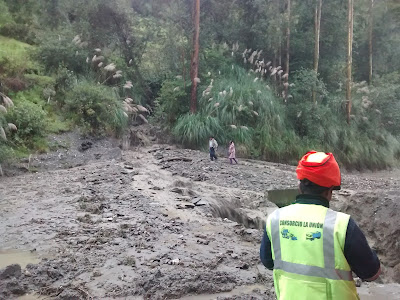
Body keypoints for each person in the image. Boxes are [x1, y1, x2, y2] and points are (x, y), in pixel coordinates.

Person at [260, 151, 381, 300]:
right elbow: (371, 273)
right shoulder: (342, 225)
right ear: (329, 191)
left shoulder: (274, 219)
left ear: (300, 185)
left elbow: (268, 262)